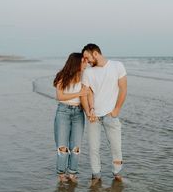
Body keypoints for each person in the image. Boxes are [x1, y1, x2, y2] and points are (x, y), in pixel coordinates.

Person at [80, 43, 127, 184]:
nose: (87, 61)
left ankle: (117, 174)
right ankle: (96, 176)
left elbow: (123, 88)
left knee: (116, 147)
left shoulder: (117, 66)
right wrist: (88, 112)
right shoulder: (88, 72)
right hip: (94, 116)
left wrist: (116, 110)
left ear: (95, 53)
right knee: (94, 148)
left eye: (87, 57)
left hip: (110, 115)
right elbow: (84, 94)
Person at [53, 53, 88, 182]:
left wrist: (90, 112)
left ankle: (72, 174)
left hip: (79, 113)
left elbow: (87, 96)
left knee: (76, 147)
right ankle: (61, 175)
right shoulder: (62, 76)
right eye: (83, 61)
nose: (86, 63)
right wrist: (79, 93)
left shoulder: (85, 76)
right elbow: (60, 96)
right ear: (76, 63)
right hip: (63, 112)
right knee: (62, 147)